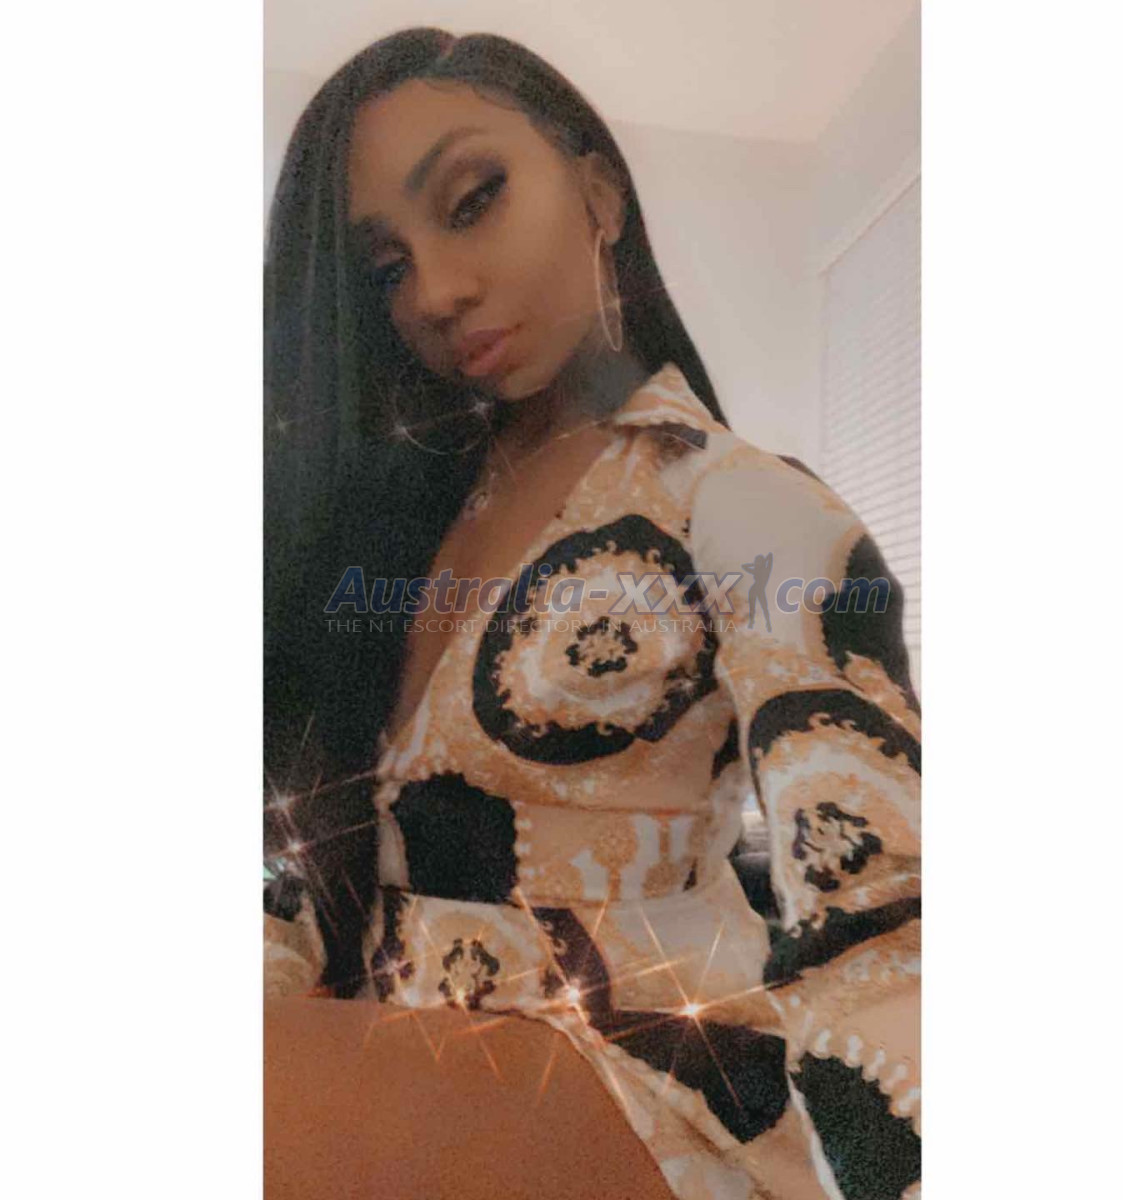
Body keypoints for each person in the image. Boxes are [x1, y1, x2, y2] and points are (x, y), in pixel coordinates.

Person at [264, 27, 921, 1200]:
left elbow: (884, 916)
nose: (438, 292)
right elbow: (312, 857)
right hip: (417, 1053)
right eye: (387, 269)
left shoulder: (739, 503)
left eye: (473, 201)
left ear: (600, 192)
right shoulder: (406, 530)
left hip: (654, 1085)